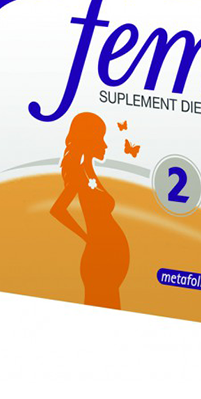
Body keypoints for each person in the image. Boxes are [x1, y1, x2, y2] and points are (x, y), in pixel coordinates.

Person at [50, 112, 130, 309]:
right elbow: (58, 209)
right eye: (100, 138)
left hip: (107, 261)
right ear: (88, 140)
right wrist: (87, 238)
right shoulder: (78, 173)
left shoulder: (87, 170)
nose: (105, 145)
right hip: (99, 261)